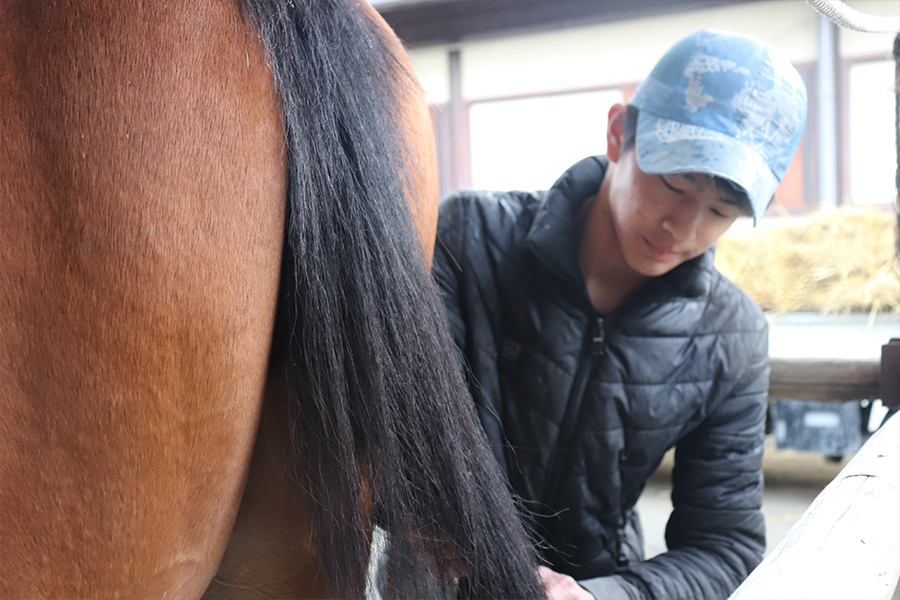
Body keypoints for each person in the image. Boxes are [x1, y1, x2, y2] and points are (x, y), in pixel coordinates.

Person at [432, 29, 808, 600]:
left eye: (720, 210)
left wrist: (604, 596)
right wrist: (416, 512)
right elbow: (392, 425)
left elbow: (724, 545)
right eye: (676, 182)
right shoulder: (468, 238)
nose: (683, 228)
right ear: (617, 133)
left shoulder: (731, 335)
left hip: (596, 580)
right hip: (438, 577)